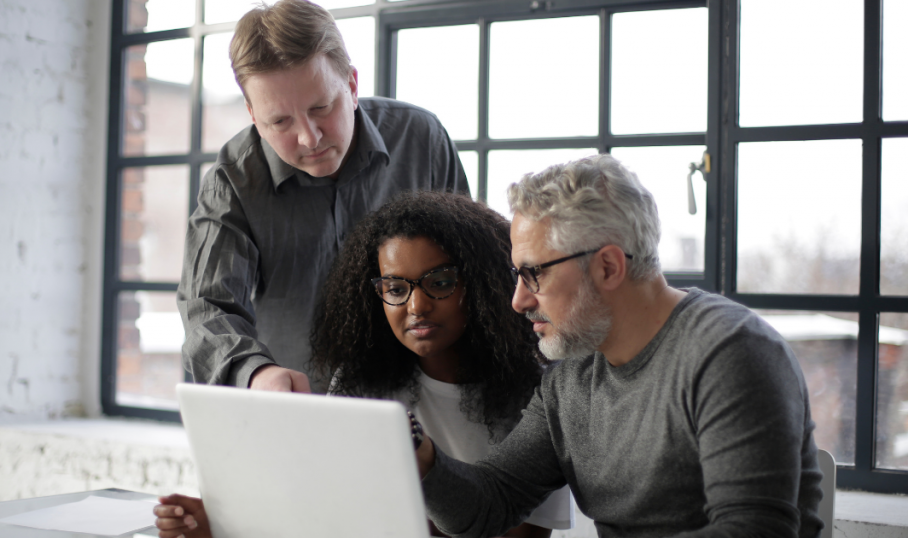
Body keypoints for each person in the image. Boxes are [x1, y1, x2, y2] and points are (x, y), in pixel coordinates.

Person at [415, 155, 825, 537]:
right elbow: (491, 501)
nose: (518, 300)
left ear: (608, 267)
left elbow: (753, 529)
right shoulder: (572, 374)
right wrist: (422, 459)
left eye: (533, 274)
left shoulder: (731, 353)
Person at [154, 192, 574, 538]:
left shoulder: (536, 394)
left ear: (481, 285)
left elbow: (517, 534)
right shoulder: (361, 382)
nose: (417, 306)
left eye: (440, 282)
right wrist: (225, 526)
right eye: (394, 287)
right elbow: (323, 513)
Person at [177, 0, 469, 394]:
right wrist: (255, 372)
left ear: (351, 85)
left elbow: (471, 268)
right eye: (280, 121)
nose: (308, 137)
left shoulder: (422, 138)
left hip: (431, 400)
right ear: (252, 113)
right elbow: (207, 307)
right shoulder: (232, 179)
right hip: (298, 408)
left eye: (321, 107)